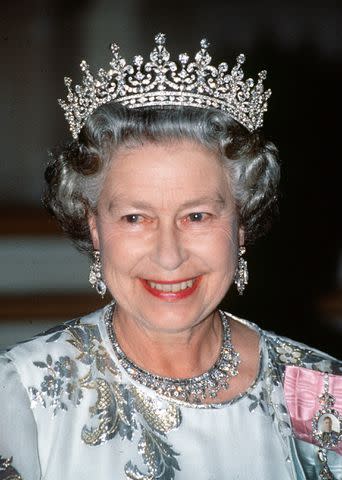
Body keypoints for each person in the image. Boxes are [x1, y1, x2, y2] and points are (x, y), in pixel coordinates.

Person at [0, 33, 341, 480]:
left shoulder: (321, 392)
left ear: (241, 224)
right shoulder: (20, 394)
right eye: (135, 218)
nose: (168, 256)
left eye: (197, 216)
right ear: (94, 227)